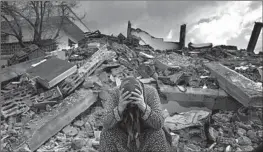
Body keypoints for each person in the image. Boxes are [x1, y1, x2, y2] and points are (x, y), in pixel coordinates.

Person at [99, 77, 172, 152]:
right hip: (123, 137)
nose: (132, 105)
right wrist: (119, 109)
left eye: (134, 100)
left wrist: (143, 107)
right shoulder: (114, 93)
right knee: (106, 133)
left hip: (145, 136)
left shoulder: (150, 92)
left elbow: (159, 123)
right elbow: (105, 123)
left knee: (158, 133)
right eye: (129, 101)